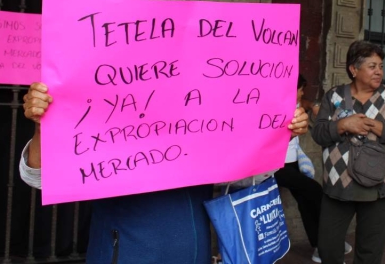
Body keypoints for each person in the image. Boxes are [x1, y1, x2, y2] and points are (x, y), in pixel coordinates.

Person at [20, 81, 310, 264]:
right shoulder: (106, 125)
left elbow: (248, 176)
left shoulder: (199, 125)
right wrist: (43, 125)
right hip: (124, 254)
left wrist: (280, 131)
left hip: (192, 254)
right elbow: (40, 177)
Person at [311, 40, 385, 264]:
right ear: (353, 70)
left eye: (381, 66)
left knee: (370, 253)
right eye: (372, 66)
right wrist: (343, 125)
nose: (379, 71)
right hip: (339, 186)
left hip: (379, 187)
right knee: (328, 249)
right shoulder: (334, 95)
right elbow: (318, 133)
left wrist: (373, 125)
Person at [274, 74, 352, 263]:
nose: (302, 94)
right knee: (314, 191)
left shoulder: (296, 104)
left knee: (305, 200)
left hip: (291, 162)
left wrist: (312, 105)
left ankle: (321, 246)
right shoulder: (276, 107)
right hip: (277, 165)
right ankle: (326, 246)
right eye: (300, 90)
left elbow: (306, 103)